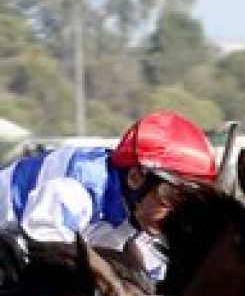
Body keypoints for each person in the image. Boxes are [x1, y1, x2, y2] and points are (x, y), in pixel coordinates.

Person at [0, 109, 219, 284]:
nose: (176, 213)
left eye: (188, 202)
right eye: (171, 196)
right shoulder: (77, 190)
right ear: (135, 177)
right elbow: (50, 259)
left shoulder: (139, 208)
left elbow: (152, 281)